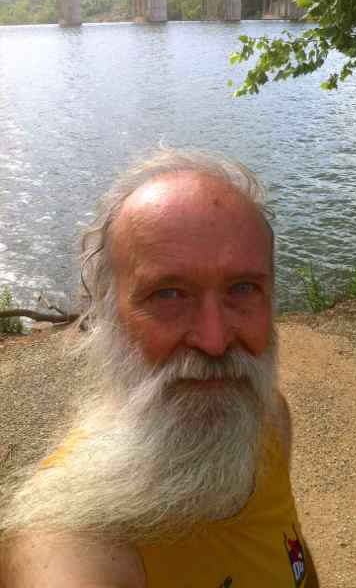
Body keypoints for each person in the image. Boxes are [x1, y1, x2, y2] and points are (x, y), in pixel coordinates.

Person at [0, 149, 319, 587]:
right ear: (105, 316)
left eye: (243, 288)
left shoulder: (268, 420)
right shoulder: (74, 546)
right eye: (168, 294)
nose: (214, 339)